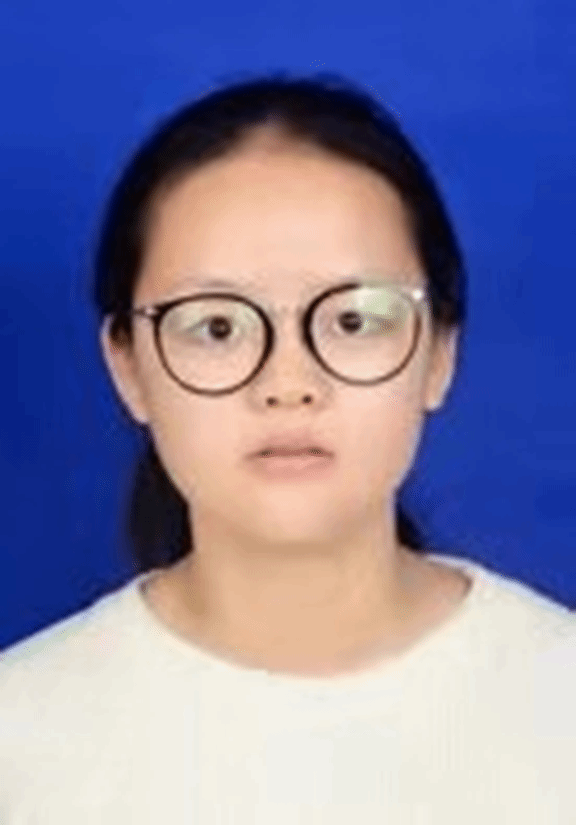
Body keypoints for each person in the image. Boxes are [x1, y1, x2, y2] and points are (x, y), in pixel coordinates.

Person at [1, 71, 575, 823]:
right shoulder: (22, 738)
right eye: (216, 326)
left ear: (440, 352)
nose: (288, 383)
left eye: (354, 319)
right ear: (128, 367)